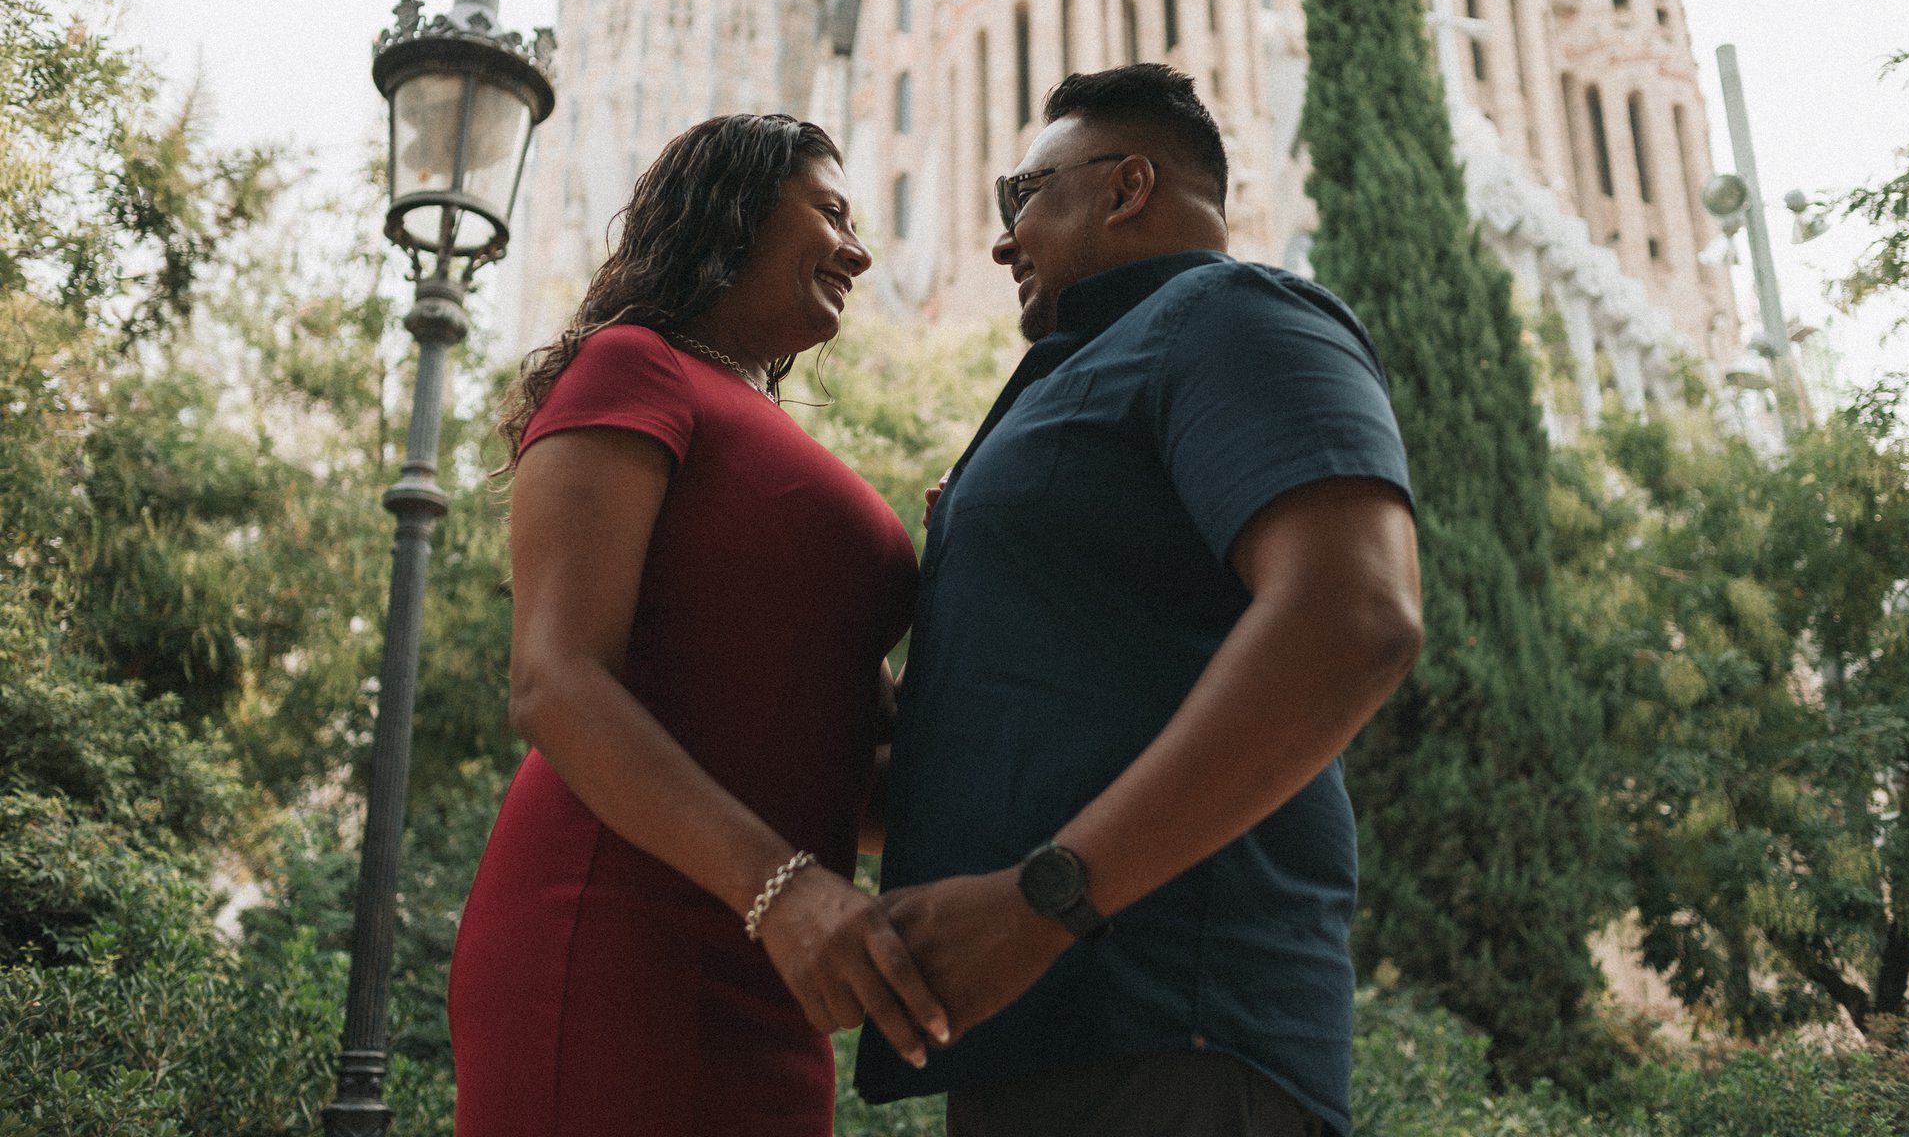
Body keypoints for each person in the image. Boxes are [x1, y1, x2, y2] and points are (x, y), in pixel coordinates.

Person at [852, 65, 1424, 1136]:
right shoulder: (1080, 382)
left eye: (1022, 195)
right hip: (1026, 1036)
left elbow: (1355, 617)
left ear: (1126, 188)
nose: (1003, 240)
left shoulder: (1232, 312)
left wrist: (1046, 899)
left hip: (1173, 1031)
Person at [449, 113, 948, 1137]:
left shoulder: (759, 426)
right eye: (831, 213)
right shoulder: (633, 367)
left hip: (774, 958)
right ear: (734, 210)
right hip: (615, 926)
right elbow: (555, 681)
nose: (859, 252)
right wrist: (783, 890)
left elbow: (860, 784)